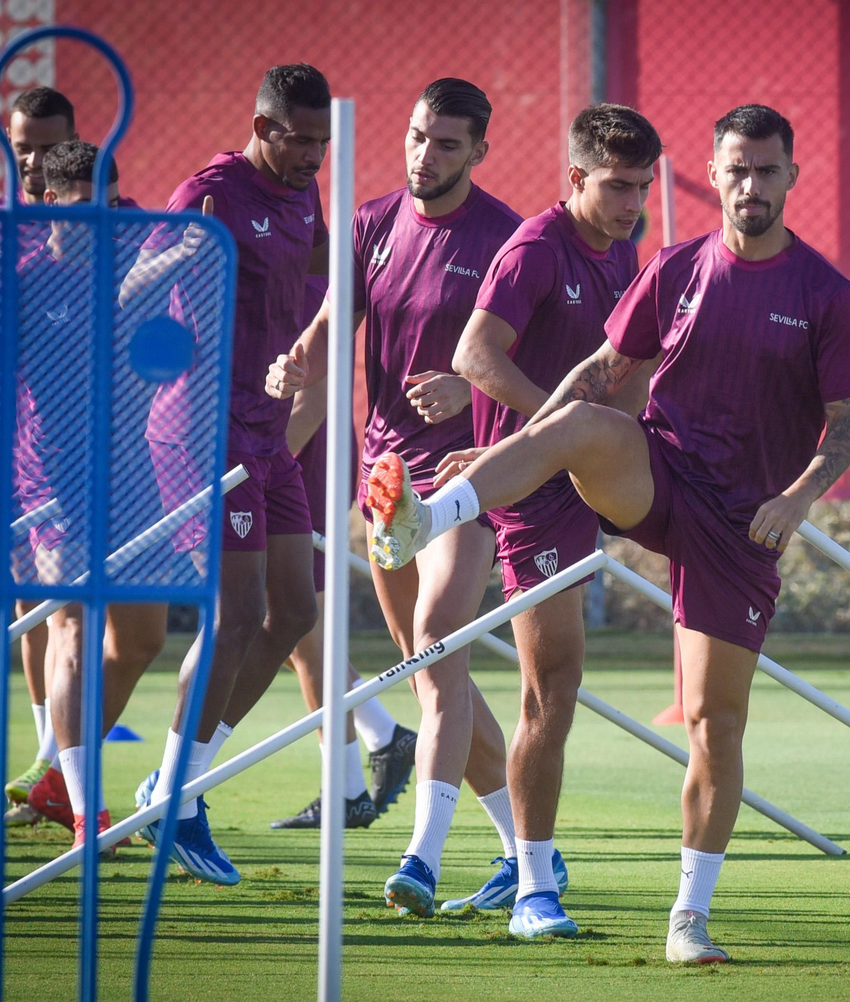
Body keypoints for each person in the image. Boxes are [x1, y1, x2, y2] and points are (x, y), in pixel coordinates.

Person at [350, 105, 850, 962]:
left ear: (790, 178)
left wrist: (799, 497)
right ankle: (429, 520)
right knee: (583, 434)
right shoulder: (673, 265)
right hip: (657, 478)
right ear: (713, 172)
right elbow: (598, 373)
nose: (749, 186)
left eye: (766, 171)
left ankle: (687, 921)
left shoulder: (818, 291)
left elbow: (846, 426)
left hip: (743, 526)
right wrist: (517, 447)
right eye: (735, 170)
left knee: (714, 724)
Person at [264, 78, 564, 917]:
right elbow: (331, 325)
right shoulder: (369, 224)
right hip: (384, 481)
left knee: (435, 649)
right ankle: (525, 854)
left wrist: (473, 395)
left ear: (478, 152)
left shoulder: (509, 238)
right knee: (439, 679)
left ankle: (421, 861)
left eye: (444, 144)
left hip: (468, 477)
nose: (423, 155)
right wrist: (296, 364)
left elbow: (532, 358)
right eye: (415, 136)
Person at [439, 103, 662, 938]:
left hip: (586, 481)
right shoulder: (536, 248)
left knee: (543, 687)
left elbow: (628, 372)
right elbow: (474, 356)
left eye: (642, 186)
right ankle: (533, 886)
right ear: (576, 178)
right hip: (530, 497)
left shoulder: (626, 250)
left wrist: (618, 437)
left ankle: (516, 869)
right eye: (615, 185)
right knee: (545, 690)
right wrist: (555, 437)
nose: (631, 201)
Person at [128, 64, 331, 887]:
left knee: (294, 612)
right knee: (236, 613)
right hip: (201, 432)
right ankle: (176, 802)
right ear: (262, 124)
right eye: (301, 138)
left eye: (324, 139)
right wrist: (178, 256)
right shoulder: (209, 191)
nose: (315, 154)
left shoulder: (306, 192)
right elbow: (130, 295)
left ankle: (171, 783)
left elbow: (309, 273)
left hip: (267, 430)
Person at [0, 139, 164, 853]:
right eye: (79, 211)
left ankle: (53, 784)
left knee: (141, 638)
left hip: (133, 479)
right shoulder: (19, 282)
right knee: (70, 626)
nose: (95, 224)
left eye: (105, 210)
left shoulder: (131, 266)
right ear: (46, 202)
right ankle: (86, 808)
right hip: (52, 485)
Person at [266, 276, 418, 831]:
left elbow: (317, 389)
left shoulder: (298, 276)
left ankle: (349, 789)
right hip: (285, 462)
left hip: (293, 467)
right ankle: (383, 735)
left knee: (299, 633)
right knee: (288, 633)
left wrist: (264, 466)